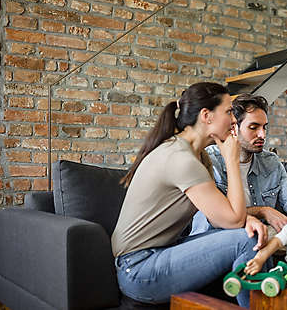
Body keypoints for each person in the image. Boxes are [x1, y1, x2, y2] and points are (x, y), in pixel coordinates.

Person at [111, 82, 267, 307]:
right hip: (138, 269)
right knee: (247, 241)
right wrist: (231, 160)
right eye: (229, 112)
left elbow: (219, 217)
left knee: (252, 235)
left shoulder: (198, 156)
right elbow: (233, 220)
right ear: (207, 116)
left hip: (160, 254)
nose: (234, 120)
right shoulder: (181, 159)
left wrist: (249, 220)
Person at [191, 94, 287, 236]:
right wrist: (263, 211)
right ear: (233, 128)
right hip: (213, 237)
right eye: (254, 127)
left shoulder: (271, 162)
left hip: (257, 233)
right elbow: (220, 216)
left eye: (264, 128)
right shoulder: (209, 161)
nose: (262, 135)